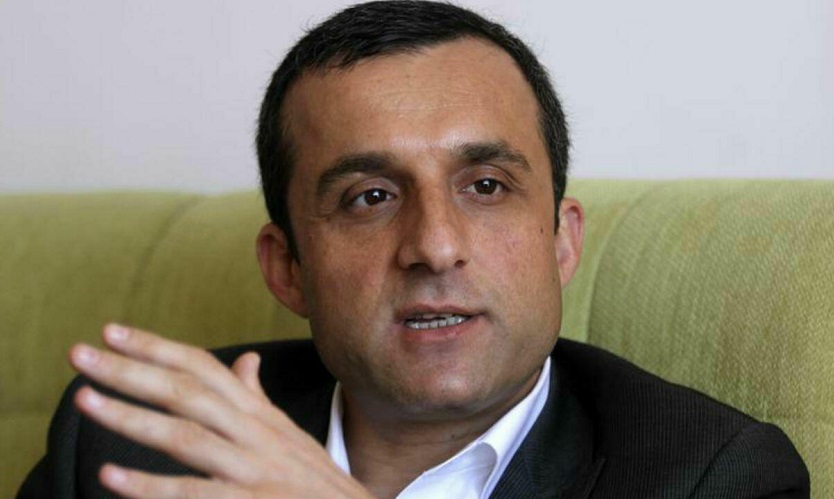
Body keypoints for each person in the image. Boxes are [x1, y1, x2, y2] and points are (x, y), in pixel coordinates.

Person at [19, 1, 809, 498]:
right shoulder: (129, 441)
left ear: (562, 241)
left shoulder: (712, 473)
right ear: (287, 268)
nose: (434, 245)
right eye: (371, 197)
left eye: (486, 186)